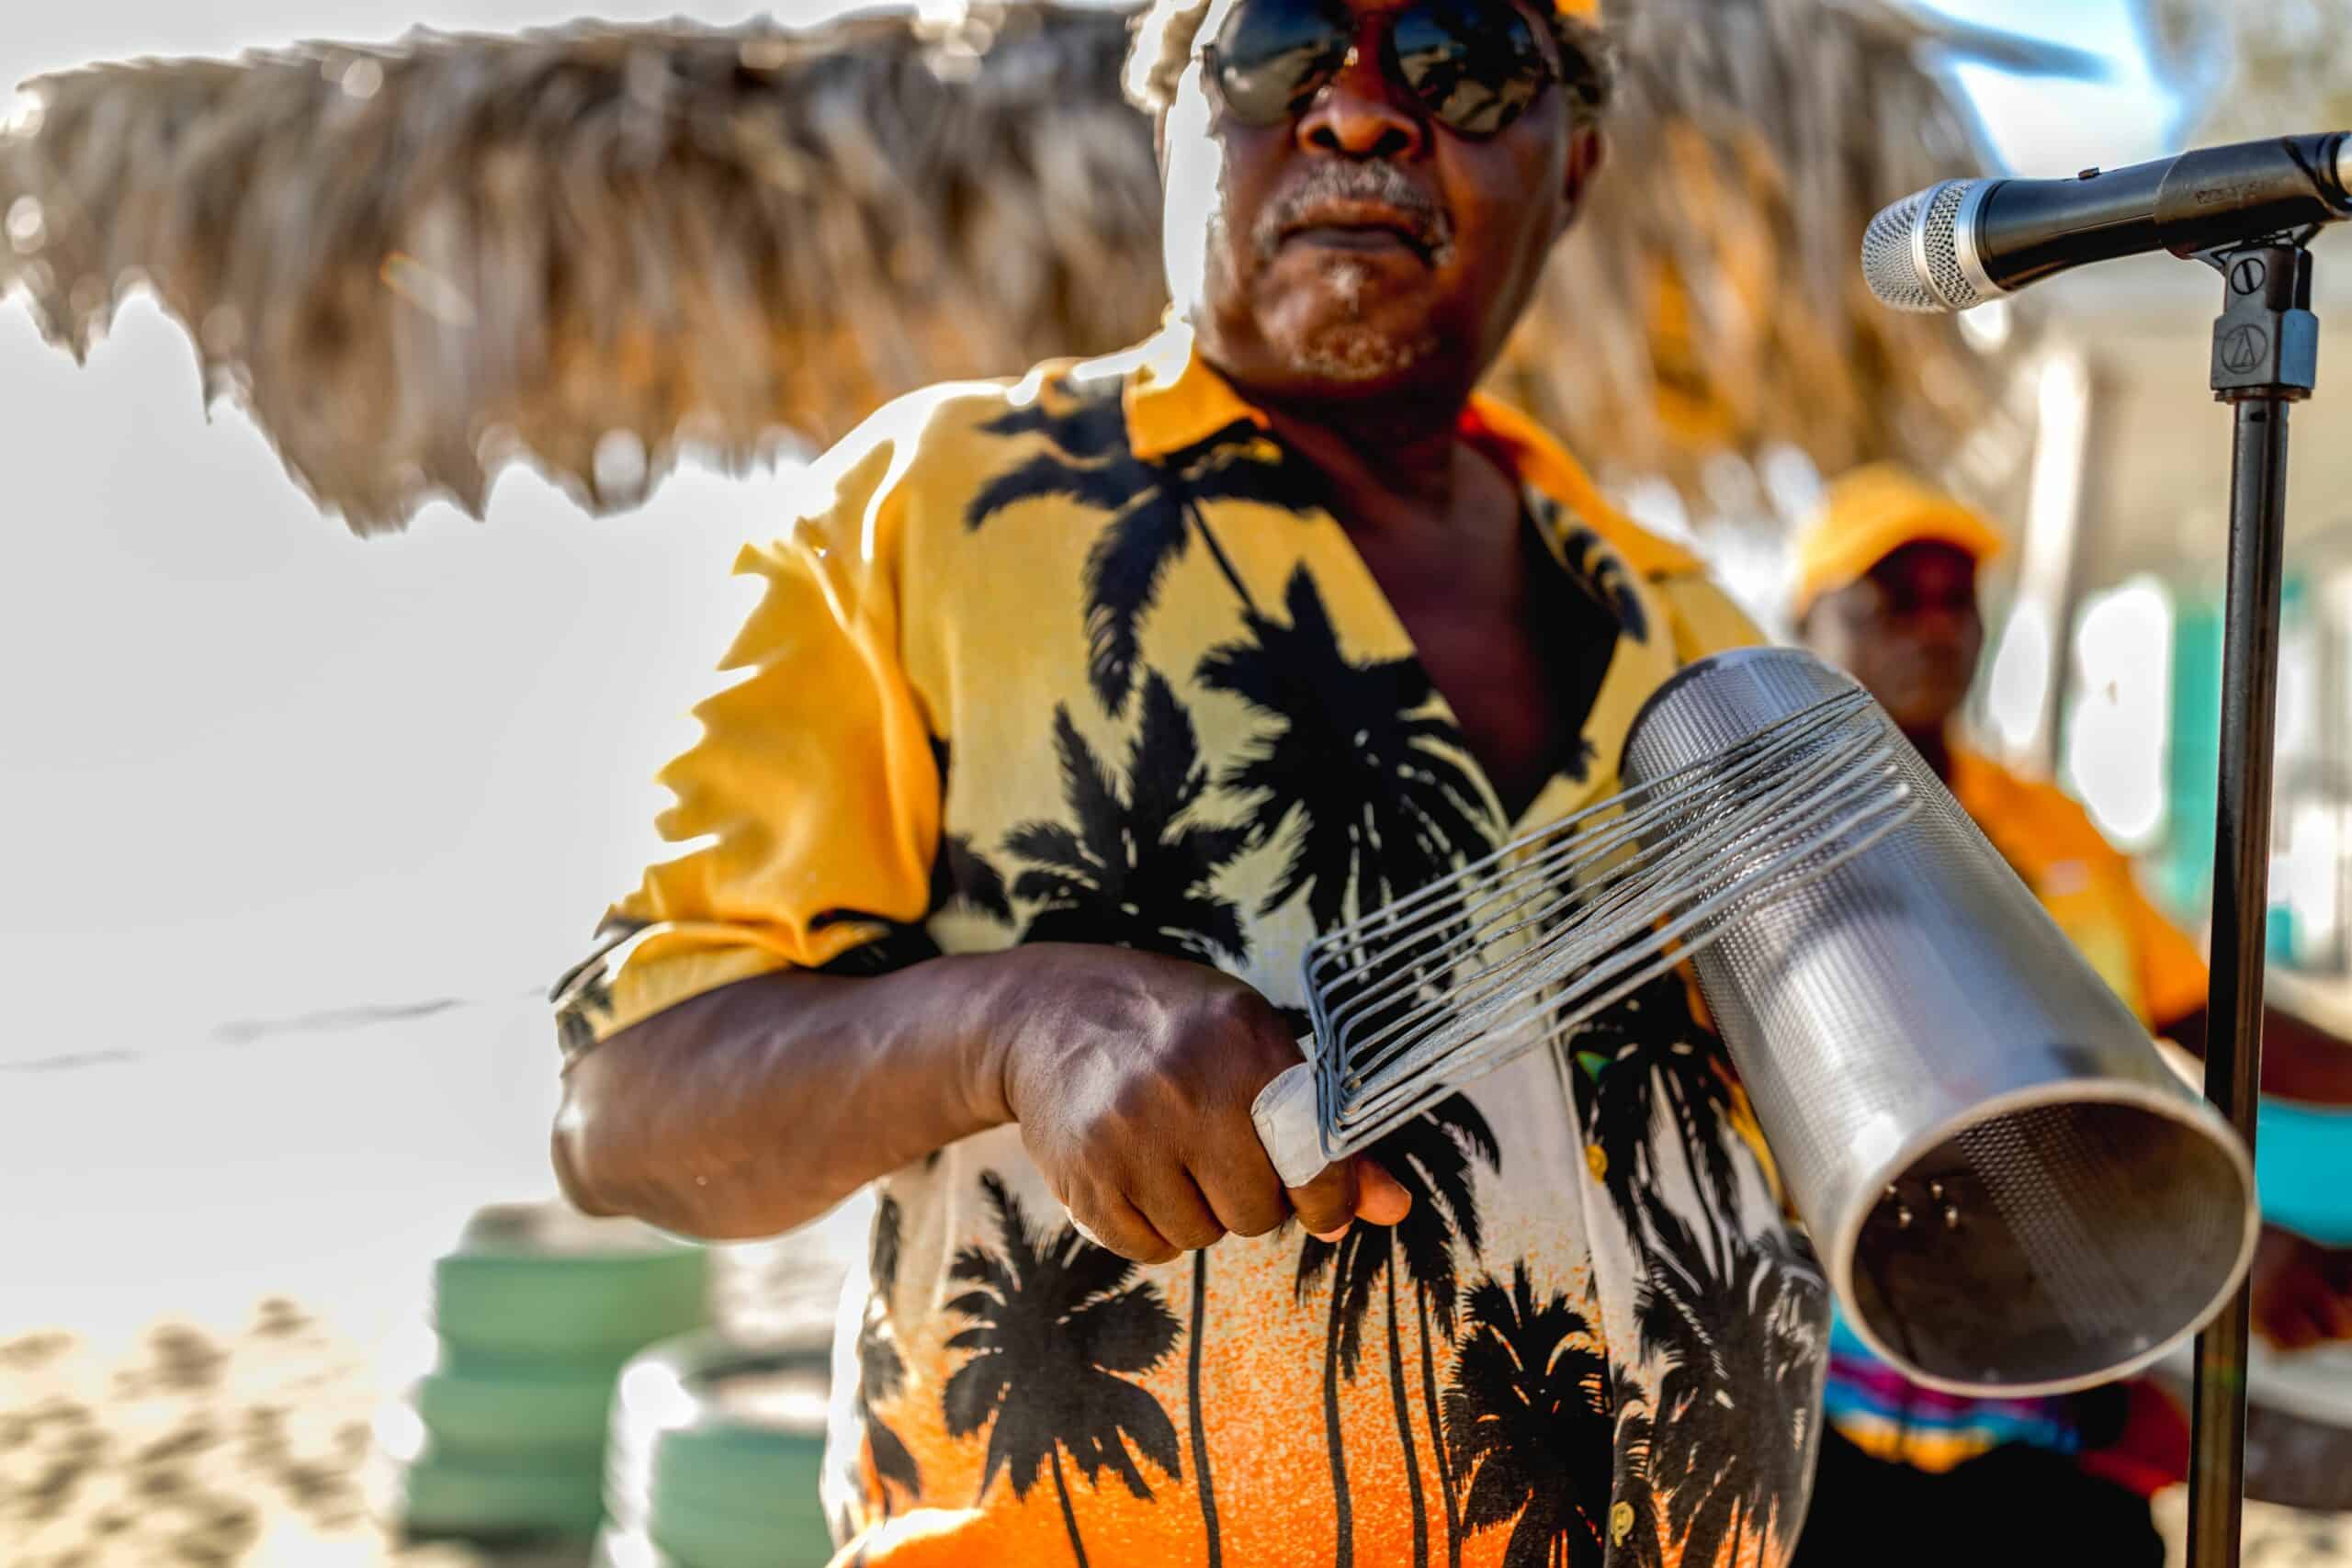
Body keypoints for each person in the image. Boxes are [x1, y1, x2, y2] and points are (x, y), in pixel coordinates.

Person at [549, 0, 1830, 1562]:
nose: (1360, 111)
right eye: (1282, 42)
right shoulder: (941, 509)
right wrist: (1017, 1023)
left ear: (1573, 168)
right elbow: (626, 1104)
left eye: (1464, 58)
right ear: (1176, 126)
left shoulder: (1693, 628)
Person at [1788, 463, 2352, 1568]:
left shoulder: (2048, 825)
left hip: (2054, 1426)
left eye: (1959, 597)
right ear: (1800, 621)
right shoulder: (1762, 855)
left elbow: (2209, 1017)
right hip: (1833, 1427)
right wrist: (2215, 1250)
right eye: (1893, 596)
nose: (1937, 625)